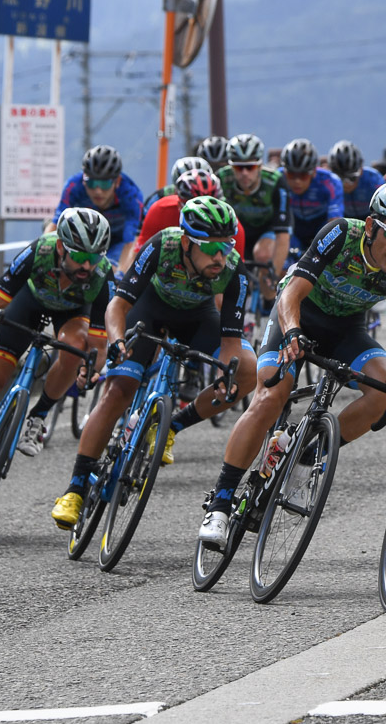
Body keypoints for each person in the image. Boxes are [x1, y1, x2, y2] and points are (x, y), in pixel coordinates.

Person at [197, 182, 386, 548]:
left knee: (381, 388)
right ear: (371, 226)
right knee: (272, 395)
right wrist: (292, 333)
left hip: (346, 329)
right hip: (297, 316)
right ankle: (222, 502)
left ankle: (306, 454)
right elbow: (291, 293)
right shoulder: (340, 234)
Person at [50, 196, 257, 530]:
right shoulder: (163, 245)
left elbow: (230, 344)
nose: (221, 256)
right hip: (149, 310)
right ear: (188, 242)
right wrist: (117, 340)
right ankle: (75, 488)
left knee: (248, 370)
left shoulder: (233, 269)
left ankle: (172, 425)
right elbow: (118, 306)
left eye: (226, 245)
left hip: (197, 318)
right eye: (211, 247)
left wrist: (225, 372)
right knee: (119, 390)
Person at [0, 208, 114, 508]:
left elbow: (99, 344)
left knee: (75, 345)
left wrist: (90, 369)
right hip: (30, 303)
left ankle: (39, 415)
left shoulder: (102, 274)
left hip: (72, 315)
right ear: (62, 246)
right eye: (79, 256)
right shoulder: (38, 252)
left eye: (95, 256)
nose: (87, 265)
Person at [48, 145, 143, 274]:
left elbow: (131, 242)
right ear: (84, 180)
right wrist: (45, 254)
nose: (98, 191)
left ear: (117, 181)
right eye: (92, 183)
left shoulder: (131, 194)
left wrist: (120, 275)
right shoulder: (73, 186)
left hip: (118, 240)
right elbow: (55, 224)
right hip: (85, 238)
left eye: (104, 184)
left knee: (109, 271)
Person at [217, 133, 291, 295]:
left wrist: (274, 273)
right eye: (238, 167)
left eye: (250, 167)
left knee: (262, 255)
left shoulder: (275, 181)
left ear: (259, 166)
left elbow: (283, 235)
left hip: (266, 230)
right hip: (236, 231)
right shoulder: (221, 179)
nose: (244, 173)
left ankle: (268, 301)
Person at [131, 169, 245, 262]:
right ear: (178, 203)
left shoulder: (235, 229)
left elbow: (237, 275)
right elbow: (138, 257)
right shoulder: (160, 210)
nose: (202, 215)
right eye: (193, 208)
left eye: (210, 207)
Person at [281, 138, 344, 267]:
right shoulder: (278, 179)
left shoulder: (330, 181)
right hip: (293, 228)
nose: (297, 181)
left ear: (314, 172)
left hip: (320, 227)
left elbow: (335, 221)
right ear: (285, 172)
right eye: (291, 175)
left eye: (303, 175)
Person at [329, 140, 385, 221]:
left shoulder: (374, 179)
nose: (346, 184)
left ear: (361, 169)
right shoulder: (328, 183)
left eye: (352, 178)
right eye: (341, 179)